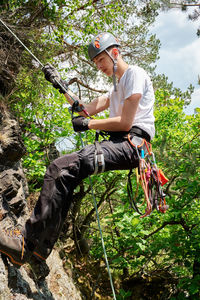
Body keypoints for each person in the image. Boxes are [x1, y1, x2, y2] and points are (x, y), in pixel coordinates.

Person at [0, 32, 155, 268]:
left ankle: (26, 244)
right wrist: (59, 84)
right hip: (121, 144)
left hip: (131, 145)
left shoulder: (134, 74)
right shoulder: (115, 89)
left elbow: (124, 122)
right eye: (95, 63)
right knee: (65, 176)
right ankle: (40, 250)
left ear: (115, 53)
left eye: (101, 60)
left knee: (60, 167)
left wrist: (89, 124)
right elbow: (84, 110)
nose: (99, 66)